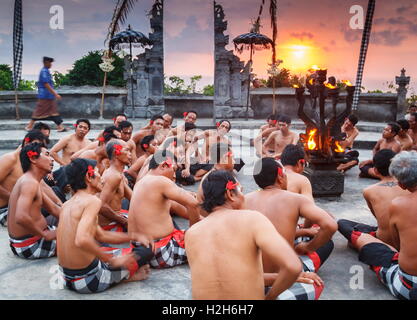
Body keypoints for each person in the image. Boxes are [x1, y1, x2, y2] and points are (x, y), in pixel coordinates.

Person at [186, 170, 302, 300]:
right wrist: (270, 297)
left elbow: (232, 278)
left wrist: (278, 278)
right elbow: (293, 266)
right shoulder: (252, 218)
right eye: (241, 190)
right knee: (312, 286)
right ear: (230, 194)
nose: (244, 196)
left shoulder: (192, 232)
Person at [245, 158, 337, 300]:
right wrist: (308, 247)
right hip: (282, 280)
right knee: (316, 281)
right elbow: (330, 225)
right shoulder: (296, 199)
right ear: (280, 175)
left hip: (250, 279)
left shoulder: (244, 200)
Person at [57, 158, 152, 294]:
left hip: (67, 279)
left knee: (108, 248)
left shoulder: (66, 204)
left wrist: (133, 236)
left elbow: (102, 235)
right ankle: (122, 278)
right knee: (145, 252)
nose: (101, 177)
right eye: (97, 172)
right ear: (89, 177)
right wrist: (112, 260)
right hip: (88, 281)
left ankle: (117, 274)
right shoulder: (92, 201)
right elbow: (81, 239)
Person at [340, 151, 417, 300]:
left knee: (371, 247)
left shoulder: (399, 205)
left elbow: (395, 243)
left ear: (401, 184)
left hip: (409, 284)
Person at [128, 150, 199, 268]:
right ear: (164, 165)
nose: (175, 175)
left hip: (140, 248)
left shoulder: (141, 182)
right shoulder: (160, 181)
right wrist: (196, 235)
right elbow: (194, 204)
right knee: (210, 240)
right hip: (161, 252)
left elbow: (178, 207)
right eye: (174, 170)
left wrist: (205, 220)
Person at [338, 149, 409, 249]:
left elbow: (378, 218)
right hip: (407, 239)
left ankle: (362, 241)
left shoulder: (369, 191)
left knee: (342, 223)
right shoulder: (408, 186)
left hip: (383, 241)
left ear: (375, 170)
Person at [7, 143, 60, 259]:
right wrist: (45, 234)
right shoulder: (29, 182)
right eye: (47, 155)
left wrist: (76, 216)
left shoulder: (33, 180)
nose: (52, 159)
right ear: (33, 158)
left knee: (79, 231)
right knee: (80, 245)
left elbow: (54, 208)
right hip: (30, 245)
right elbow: (21, 217)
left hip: (34, 238)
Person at [0, 131, 60, 227]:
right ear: (27, 143)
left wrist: (60, 203)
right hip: (5, 209)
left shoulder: (31, 166)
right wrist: (12, 198)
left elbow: (44, 186)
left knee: (56, 193)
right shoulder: (10, 159)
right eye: (35, 144)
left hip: (23, 203)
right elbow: (21, 216)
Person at [99, 140, 132, 232]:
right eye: (127, 150)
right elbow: (101, 205)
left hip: (118, 217)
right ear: (116, 153)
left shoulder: (119, 174)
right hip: (108, 226)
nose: (130, 154)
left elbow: (133, 198)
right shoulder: (113, 176)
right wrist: (124, 221)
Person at [25, 57, 66, 132]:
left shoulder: (46, 71)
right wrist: (55, 94)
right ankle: (29, 126)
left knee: (53, 111)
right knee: (39, 111)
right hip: (45, 95)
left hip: (49, 96)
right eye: (49, 63)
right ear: (45, 63)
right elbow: (46, 84)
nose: (50, 64)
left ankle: (60, 126)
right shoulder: (44, 71)